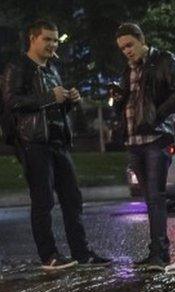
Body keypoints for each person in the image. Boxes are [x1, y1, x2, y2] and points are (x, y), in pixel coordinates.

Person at [1, 19, 110, 270]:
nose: (52, 44)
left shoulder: (52, 69)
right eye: (47, 39)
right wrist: (50, 97)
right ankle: (49, 256)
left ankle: (81, 253)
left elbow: (55, 108)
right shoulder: (18, 66)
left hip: (58, 142)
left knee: (73, 198)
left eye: (55, 39)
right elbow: (12, 102)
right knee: (43, 201)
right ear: (32, 39)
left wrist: (70, 101)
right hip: (34, 142)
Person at [113, 22, 175, 271]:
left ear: (141, 39)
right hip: (133, 142)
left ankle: (160, 253)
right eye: (122, 48)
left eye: (129, 45)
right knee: (149, 198)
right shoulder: (127, 70)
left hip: (155, 139)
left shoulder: (163, 59)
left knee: (156, 198)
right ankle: (156, 251)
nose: (126, 51)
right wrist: (117, 99)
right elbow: (126, 103)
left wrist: (157, 115)